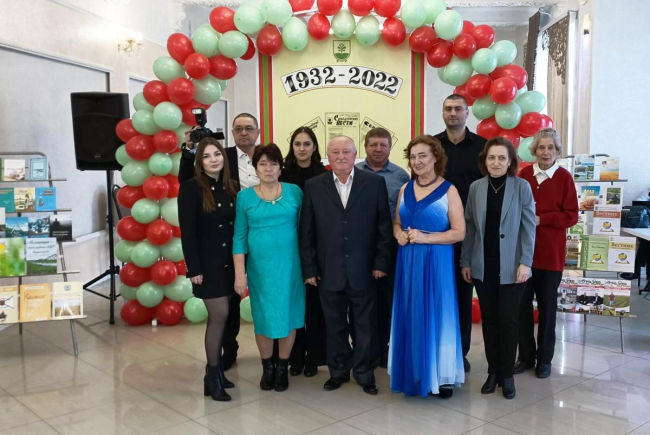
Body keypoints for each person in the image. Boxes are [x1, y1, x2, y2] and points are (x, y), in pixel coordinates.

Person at [300, 136, 392, 395]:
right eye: (335, 151)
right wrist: (310, 269)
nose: (340, 156)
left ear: (355, 155)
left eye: (346, 151)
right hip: (328, 270)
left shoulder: (374, 183)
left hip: (365, 269)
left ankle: (364, 373)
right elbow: (307, 231)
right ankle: (338, 371)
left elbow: (384, 227)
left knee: (365, 325)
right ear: (327, 156)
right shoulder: (313, 186)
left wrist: (381, 262)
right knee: (334, 325)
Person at [178, 112, 261, 371]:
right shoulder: (217, 162)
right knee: (223, 312)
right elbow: (188, 225)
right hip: (215, 255)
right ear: (232, 133)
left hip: (249, 245)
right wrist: (189, 150)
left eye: (249, 128)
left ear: (257, 131)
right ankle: (223, 358)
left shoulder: (264, 159)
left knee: (241, 303)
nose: (244, 132)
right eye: (238, 128)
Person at [389, 135, 465, 398]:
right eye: (413, 157)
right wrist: (398, 234)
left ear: (435, 158)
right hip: (409, 262)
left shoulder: (449, 190)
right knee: (411, 312)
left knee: (439, 313)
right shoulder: (404, 188)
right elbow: (397, 223)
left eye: (422, 155)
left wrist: (426, 238)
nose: (417, 161)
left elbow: (459, 232)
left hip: (437, 262)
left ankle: (442, 376)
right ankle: (415, 372)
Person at [461, 137, 535, 400]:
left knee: (508, 320)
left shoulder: (521, 187)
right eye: (491, 157)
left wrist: (526, 262)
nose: (496, 163)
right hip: (483, 266)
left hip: (513, 267)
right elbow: (470, 227)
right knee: (490, 320)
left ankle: (506, 374)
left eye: (502, 158)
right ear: (485, 160)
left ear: (511, 161)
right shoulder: (476, 188)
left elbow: (529, 227)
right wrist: (466, 261)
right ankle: (493, 372)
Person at [233, 143, 305, 392]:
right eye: (263, 163)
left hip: (291, 267)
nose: (268, 168)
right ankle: (267, 367)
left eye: (274, 163)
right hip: (260, 270)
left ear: (280, 168)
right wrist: (239, 274)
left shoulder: (295, 192)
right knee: (263, 317)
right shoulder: (244, 197)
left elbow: (305, 230)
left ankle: (282, 366)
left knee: (289, 315)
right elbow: (239, 238)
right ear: (256, 168)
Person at [178, 138, 239, 402]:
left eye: (217, 154)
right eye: (206, 156)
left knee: (226, 316)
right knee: (219, 315)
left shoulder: (231, 186)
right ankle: (212, 375)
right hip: (207, 265)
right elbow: (188, 233)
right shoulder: (190, 188)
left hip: (229, 264)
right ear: (199, 162)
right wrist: (194, 268)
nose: (213, 160)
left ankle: (215, 374)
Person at [516, 128, 578, 379]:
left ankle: (544, 359)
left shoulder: (564, 178)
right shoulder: (523, 175)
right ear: (534, 150)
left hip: (550, 256)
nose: (545, 152)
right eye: (541, 147)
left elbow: (571, 216)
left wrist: (544, 219)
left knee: (547, 310)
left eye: (550, 147)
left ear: (557, 151)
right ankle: (525, 356)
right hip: (523, 255)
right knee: (521, 308)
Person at [434, 94, 487, 373]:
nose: (453, 113)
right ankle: (436, 348)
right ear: (442, 113)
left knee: (463, 295)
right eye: (448, 109)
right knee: (436, 293)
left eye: (458, 109)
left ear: (467, 113)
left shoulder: (482, 147)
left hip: (469, 233)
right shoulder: (431, 145)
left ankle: (460, 352)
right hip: (433, 231)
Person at [355, 127, 410, 368]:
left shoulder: (401, 177)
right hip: (358, 247)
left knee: (386, 300)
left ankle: (385, 347)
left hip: (389, 247)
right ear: (365, 146)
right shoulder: (354, 171)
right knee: (361, 299)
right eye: (373, 144)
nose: (378, 149)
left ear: (390, 147)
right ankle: (363, 348)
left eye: (383, 145)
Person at [279, 127, 328, 377]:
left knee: (315, 306)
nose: (301, 148)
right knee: (293, 305)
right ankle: (294, 356)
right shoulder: (283, 174)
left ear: (314, 147)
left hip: (316, 249)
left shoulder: (324, 175)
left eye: (307, 144)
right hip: (287, 247)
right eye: (297, 144)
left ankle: (314, 357)